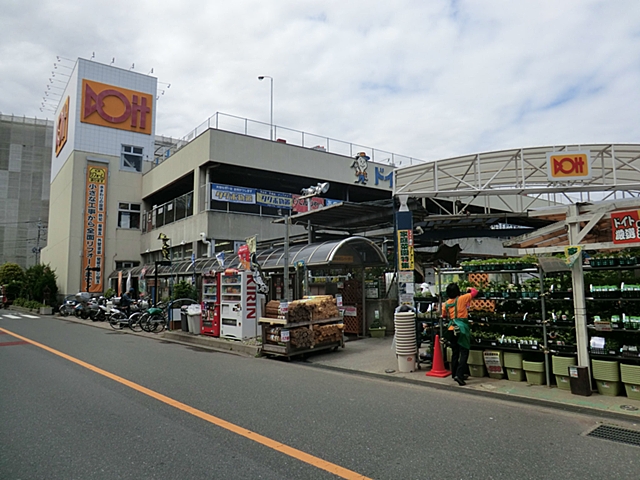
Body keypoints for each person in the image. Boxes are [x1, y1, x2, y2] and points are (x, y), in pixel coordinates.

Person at [442, 283, 478, 386]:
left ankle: (454, 373)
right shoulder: (463, 298)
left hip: (451, 328)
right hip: (461, 329)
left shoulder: (446, 303)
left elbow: (444, 315)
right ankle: (459, 374)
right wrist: (469, 288)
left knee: (455, 351)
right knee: (464, 352)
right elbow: (475, 292)